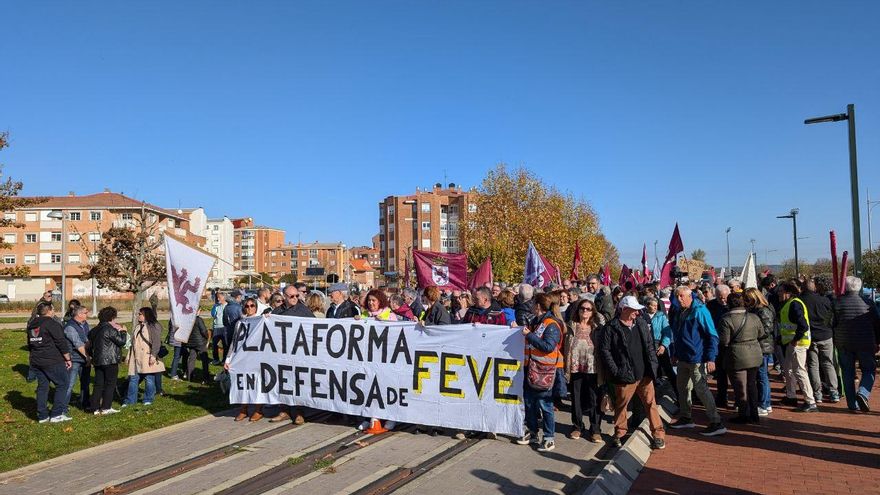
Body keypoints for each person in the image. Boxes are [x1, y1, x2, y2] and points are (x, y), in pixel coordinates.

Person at [597, 296, 665, 449]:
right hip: (624, 375)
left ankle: (658, 434)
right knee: (621, 405)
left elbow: (649, 345)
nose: (638, 312)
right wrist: (616, 370)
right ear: (624, 309)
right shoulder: (611, 327)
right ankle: (620, 433)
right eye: (634, 310)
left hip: (644, 374)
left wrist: (653, 365)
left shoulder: (641, 323)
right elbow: (605, 351)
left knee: (651, 403)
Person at [669, 286, 726, 436]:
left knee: (701, 389)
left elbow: (712, 335)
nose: (678, 299)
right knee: (682, 388)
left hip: (697, 358)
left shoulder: (700, 310)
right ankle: (686, 417)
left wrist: (711, 358)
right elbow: (678, 335)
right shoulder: (679, 312)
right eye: (677, 296)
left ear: (690, 296)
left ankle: (716, 421)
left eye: (681, 296)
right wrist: (675, 353)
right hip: (683, 357)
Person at [516, 293, 563, 452]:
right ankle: (532, 432)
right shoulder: (538, 322)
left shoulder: (551, 324)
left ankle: (549, 438)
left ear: (538, 306)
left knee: (545, 405)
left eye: (533, 303)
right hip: (532, 369)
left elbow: (548, 346)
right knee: (529, 404)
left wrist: (527, 335)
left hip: (545, 371)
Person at [832, 276, 880, 412]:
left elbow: (831, 323)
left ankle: (852, 404)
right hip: (865, 342)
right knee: (869, 370)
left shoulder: (837, 303)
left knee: (847, 373)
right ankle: (863, 393)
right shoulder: (868, 303)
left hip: (844, 343)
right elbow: (877, 324)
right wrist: (877, 341)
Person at [717, 292, 764, 424]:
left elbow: (724, 341)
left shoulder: (726, 319)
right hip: (754, 353)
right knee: (752, 385)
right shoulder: (754, 317)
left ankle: (744, 414)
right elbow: (761, 333)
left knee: (740, 387)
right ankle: (754, 413)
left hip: (736, 355)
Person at [356, 289, 398, 432]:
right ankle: (371, 418)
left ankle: (391, 417)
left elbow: (397, 336)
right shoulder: (365, 315)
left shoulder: (390, 315)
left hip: (385, 360)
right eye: (369, 300)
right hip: (369, 359)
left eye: (374, 300)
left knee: (385, 389)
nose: (371, 303)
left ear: (380, 301)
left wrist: (385, 323)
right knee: (369, 389)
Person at [564, 298, 603, 442]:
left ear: (593, 311)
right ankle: (577, 426)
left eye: (588, 309)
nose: (585, 311)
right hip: (575, 366)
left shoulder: (597, 327)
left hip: (593, 367)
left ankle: (595, 429)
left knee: (594, 398)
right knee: (576, 397)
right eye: (582, 308)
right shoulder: (571, 326)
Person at [27, 302, 72, 423]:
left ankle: (42, 416)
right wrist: (67, 358)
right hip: (52, 360)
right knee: (62, 384)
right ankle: (56, 414)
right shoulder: (52, 323)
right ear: (49, 311)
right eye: (53, 309)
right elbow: (61, 341)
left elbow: (30, 344)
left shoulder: (32, 324)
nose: (54, 312)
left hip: (36, 360)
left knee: (43, 387)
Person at [776, 281, 817, 412]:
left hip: (798, 343)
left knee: (799, 371)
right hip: (791, 342)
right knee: (788, 369)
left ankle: (810, 402)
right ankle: (791, 395)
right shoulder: (789, 304)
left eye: (781, 291)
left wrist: (795, 339)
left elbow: (803, 325)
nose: (778, 293)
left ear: (789, 293)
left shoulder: (794, 304)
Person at [225, 297, 265, 421]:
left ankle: (258, 410)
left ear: (256, 307)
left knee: (257, 383)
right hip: (242, 358)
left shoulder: (261, 321)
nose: (249, 308)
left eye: (252, 305)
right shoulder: (240, 323)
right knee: (242, 383)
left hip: (256, 357)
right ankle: (243, 409)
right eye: (247, 306)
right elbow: (234, 341)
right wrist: (228, 359)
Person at [801, 277, 839, 403]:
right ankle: (834, 391)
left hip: (811, 336)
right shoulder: (824, 300)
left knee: (813, 365)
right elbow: (831, 317)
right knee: (828, 363)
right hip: (826, 335)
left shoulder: (801, 301)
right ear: (815, 288)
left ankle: (818, 393)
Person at [743, 287, 777, 416]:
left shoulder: (763, 310)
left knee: (762, 376)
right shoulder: (758, 310)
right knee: (761, 376)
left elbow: (767, 329)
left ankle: (764, 403)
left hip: (763, 346)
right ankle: (764, 403)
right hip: (760, 345)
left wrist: (753, 334)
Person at [88, 306, 127, 415]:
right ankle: (106, 407)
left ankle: (94, 407)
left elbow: (89, 345)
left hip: (98, 360)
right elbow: (121, 342)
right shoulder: (110, 329)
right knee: (110, 383)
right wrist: (123, 332)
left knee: (98, 384)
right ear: (111, 317)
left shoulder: (94, 330)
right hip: (110, 360)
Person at [124, 307, 166, 406]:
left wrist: (153, 356)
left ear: (146, 315)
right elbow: (133, 343)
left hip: (148, 357)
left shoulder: (154, 326)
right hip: (136, 357)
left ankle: (148, 399)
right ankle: (130, 400)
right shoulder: (138, 327)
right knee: (133, 379)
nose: (138, 316)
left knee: (149, 378)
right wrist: (128, 356)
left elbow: (156, 342)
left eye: (140, 314)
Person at [62, 305, 91, 413]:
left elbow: (88, 338)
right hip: (74, 359)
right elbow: (78, 344)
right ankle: (62, 407)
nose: (87, 314)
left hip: (84, 357)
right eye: (85, 312)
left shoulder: (85, 324)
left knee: (85, 382)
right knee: (69, 384)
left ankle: (85, 403)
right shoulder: (70, 327)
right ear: (79, 314)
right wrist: (87, 357)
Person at [645, 297, 675, 394]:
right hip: (648, 345)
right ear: (647, 306)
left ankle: (678, 394)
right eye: (652, 305)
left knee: (668, 370)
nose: (654, 307)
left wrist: (663, 345)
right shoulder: (642, 317)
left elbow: (667, 332)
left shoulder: (661, 316)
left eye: (656, 306)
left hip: (659, 344)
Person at [707, 284, 731, 408]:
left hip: (730, 344)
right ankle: (722, 397)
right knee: (720, 373)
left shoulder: (733, 305)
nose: (723, 300)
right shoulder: (711, 306)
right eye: (720, 297)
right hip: (717, 343)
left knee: (733, 373)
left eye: (725, 297)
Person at [184, 310, 210, 383]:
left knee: (191, 359)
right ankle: (206, 378)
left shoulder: (188, 319)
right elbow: (204, 331)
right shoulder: (198, 319)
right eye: (199, 310)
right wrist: (207, 337)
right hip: (200, 342)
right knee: (204, 360)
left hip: (191, 342)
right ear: (197, 310)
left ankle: (190, 377)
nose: (200, 311)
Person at [212, 292, 230, 365]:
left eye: (219, 297)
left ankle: (224, 360)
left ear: (223, 298)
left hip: (224, 327)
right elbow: (213, 314)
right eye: (217, 297)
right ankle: (216, 359)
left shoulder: (228, 306)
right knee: (214, 345)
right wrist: (214, 307)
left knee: (225, 345)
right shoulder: (216, 306)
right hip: (216, 327)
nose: (218, 299)